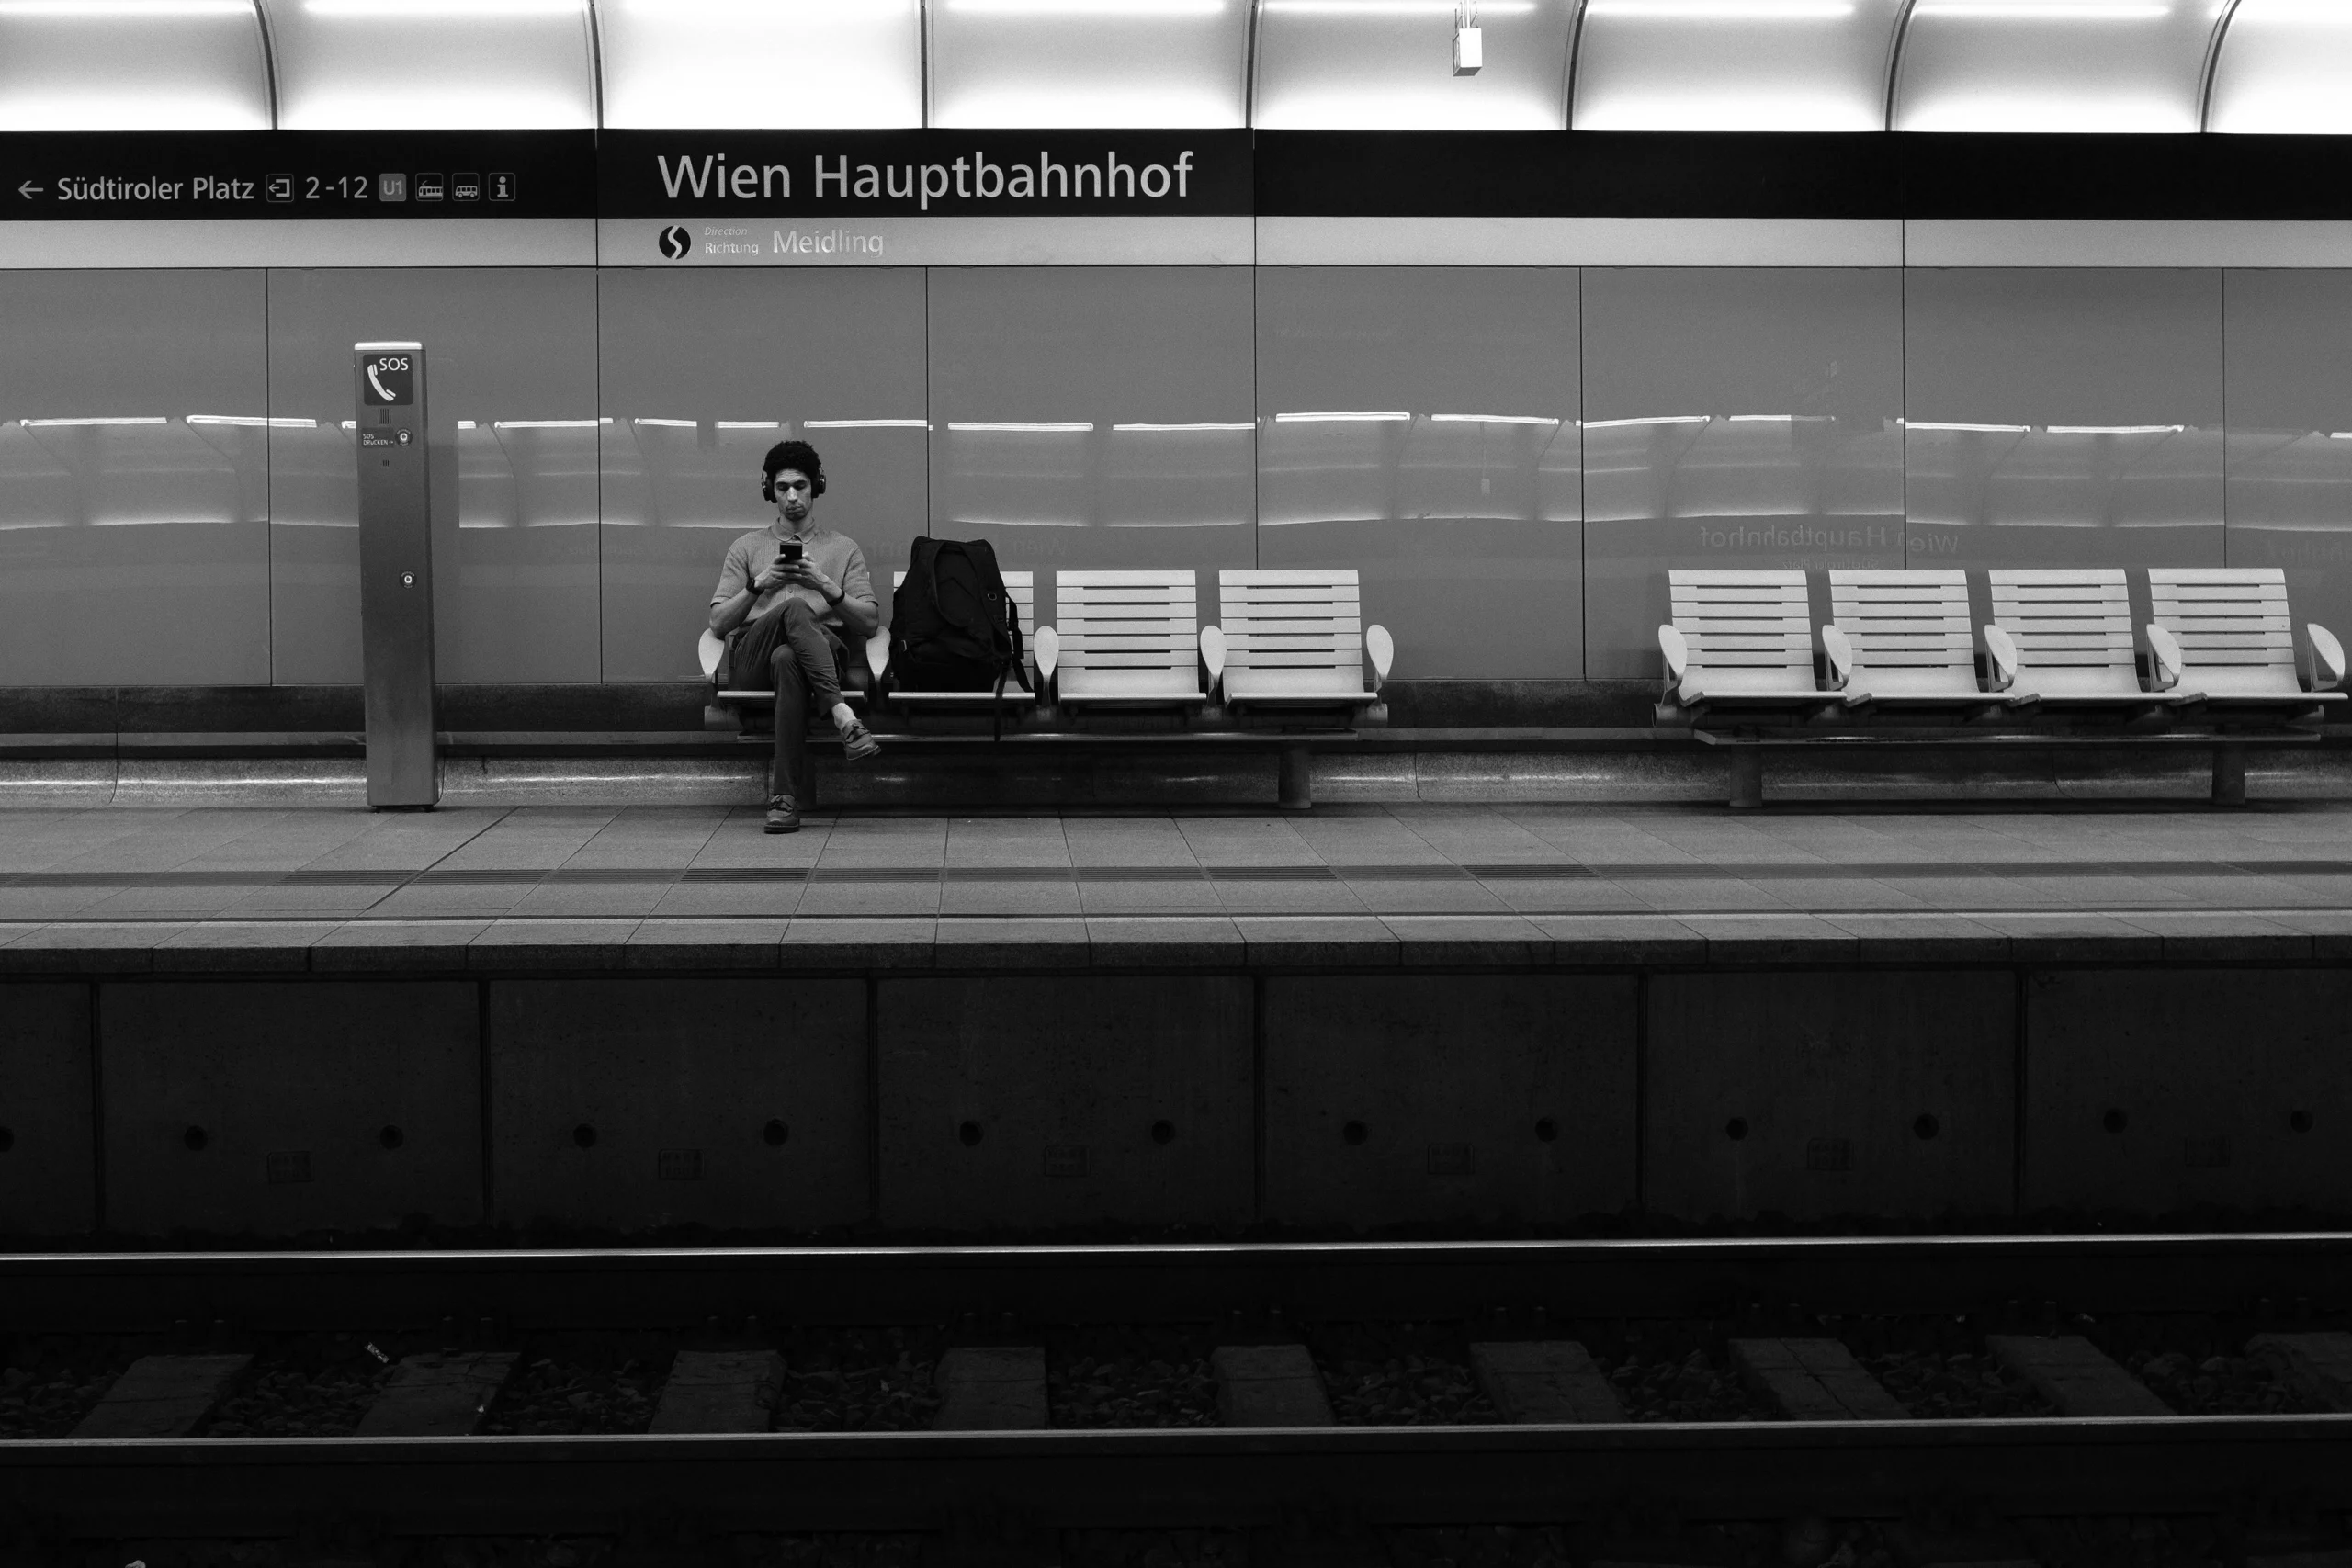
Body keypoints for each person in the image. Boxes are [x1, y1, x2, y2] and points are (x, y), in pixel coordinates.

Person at [707, 439, 883, 833]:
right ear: (769, 489)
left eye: (800, 486)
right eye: (782, 487)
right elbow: (718, 623)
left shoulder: (843, 549)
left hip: (819, 658)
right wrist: (758, 584)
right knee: (793, 609)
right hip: (754, 658)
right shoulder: (747, 547)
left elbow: (870, 623)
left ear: (816, 486)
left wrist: (824, 584)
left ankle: (783, 800)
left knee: (788, 657)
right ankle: (842, 714)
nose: (791, 497)